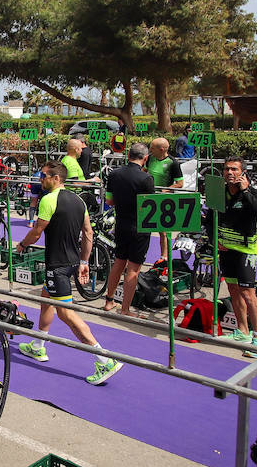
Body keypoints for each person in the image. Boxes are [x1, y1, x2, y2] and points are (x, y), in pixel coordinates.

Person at [14, 162, 122, 385]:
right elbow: (88, 232)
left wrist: (22, 245)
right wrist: (84, 261)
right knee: (46, 300)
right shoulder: (78, 200)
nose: (40, 179)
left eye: (43, 176)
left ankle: (104, 359)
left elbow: (36, 232)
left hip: (58, 265)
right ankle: (38, 346)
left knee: (66, 314)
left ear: (55, 178)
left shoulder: (48, 200)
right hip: (71, 261)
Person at [217, 157, 257, 357]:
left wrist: (246, 190)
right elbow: (211, 217)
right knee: (233, 289)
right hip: (225, 250)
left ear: (242, 173)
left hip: (246, 252)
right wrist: (215, 241)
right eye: (226, 169)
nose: (229, 172)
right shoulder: (220, 193)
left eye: (234, 169)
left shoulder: (252, 193)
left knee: (248, 293)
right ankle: (242, 331)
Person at [102, 143, 156, 317]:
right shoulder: (146, 179)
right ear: (145, 158)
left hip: (121, 224)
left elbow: (109, 201)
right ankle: (125, 309)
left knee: (118, 263)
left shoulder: (115, 174)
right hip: (139, 227)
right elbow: (150, 206)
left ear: (128, 155)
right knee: (133, 268)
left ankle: (109, 301)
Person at [147, 137, 185, 256]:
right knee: (144, 229)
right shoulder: (150, 159)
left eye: (152, 148)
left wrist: (166, 190)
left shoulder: (172, 163)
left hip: (164, 200)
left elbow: (180, 183)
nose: (150, 150)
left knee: (163, 232)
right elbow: (143, 171)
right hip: (149, 198)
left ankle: (164, 257)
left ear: (162, 149)